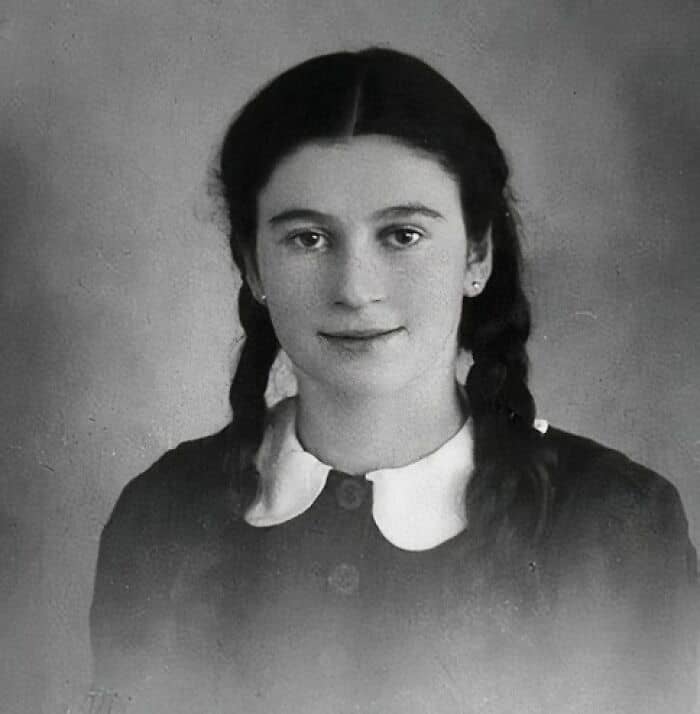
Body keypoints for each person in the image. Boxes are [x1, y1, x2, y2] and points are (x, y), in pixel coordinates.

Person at [89, 49, 698, 714]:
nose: (356, 289)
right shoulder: (163, 516)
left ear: (477, 255)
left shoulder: (614, 526)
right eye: (308, 239)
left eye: (403, 235)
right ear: (253, 266)